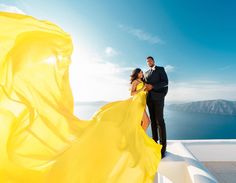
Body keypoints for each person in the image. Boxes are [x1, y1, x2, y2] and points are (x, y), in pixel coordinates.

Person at [0, 12, 162, 183]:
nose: (140, 73)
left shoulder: (143, 79)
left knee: (145, 122)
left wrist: (147, 90)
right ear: (136, 74)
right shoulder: (136, 81)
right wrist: (142, 91)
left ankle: (137, 140)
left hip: (140, 105)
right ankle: (136, 141)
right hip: (135, 104)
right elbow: (132, 93)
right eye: (139, 72)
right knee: (144, 122)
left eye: (141, 72)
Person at [144, 56, 168, 158]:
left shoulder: (160, 69)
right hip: (149, 100)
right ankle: (154, 145)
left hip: (158, 98)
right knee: (153, 122)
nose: (149, 62)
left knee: (160, 121)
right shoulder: (146, 73)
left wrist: (153, 87)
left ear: (153, 61)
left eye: (150, 60)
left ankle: (163, 149)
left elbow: (165, 82)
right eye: (147, 61)